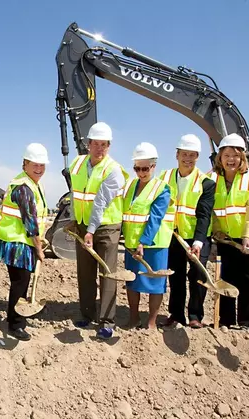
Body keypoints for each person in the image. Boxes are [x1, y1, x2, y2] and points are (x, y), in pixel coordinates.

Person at [66, 122, 128, 339]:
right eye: (96, 144)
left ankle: (107, 321)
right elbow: (75, 194)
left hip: (107, 228)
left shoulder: (114, 170)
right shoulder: (77, 164)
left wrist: (91, 230)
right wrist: (74, 220)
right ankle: (86, 314)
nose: (100, 148)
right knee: (85, 272)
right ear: (88, 144)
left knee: (107, 273)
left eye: (104, 145)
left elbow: (101, 202)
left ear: (109, 146)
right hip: (84, 225)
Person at [210, 133, 249, 330]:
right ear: (220, 157)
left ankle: (248, 322)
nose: (231, 160)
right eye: (227, 155)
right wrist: (217, 231)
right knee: (228, 276)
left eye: (235, 156)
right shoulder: (213, 179)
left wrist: (247, 236)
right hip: (227, 238)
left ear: (242, 157)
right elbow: (214, 211)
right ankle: (226, 320)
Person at [0, 143, 49, 341]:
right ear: (25, 163)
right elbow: (29, 221)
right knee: (20, 283)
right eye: (35, 165)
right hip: (16, 243)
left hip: (23, 241)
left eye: (42, 165)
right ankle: (15, 324)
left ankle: (17, 316)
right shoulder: (23, 187)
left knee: (22, 282)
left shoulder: (33, 183)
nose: (39, 169)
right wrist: (39, 247)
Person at [159, 134, 215, 329]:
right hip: (173, 235)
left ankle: (195, 315)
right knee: (176, 276)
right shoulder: (164, 177)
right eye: (184, 154)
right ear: (177, 154)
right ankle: (176, 315)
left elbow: (204, 215)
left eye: (192, 155)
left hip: (197, 237)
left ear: (197, 157)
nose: (187, 159)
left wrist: (198, 242)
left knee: (198, 276)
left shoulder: (206, 183)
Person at [122, 142, 175, 329]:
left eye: (145, 168)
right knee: (132, 281)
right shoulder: (129, 186)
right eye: (137, 168)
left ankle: (151, 322)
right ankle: (133, 317)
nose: (141, 172)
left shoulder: (162, 189)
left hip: (154, 244)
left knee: (155, 283)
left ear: (154, 166)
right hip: (131, 243)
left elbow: (156, 218)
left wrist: (143, 242)